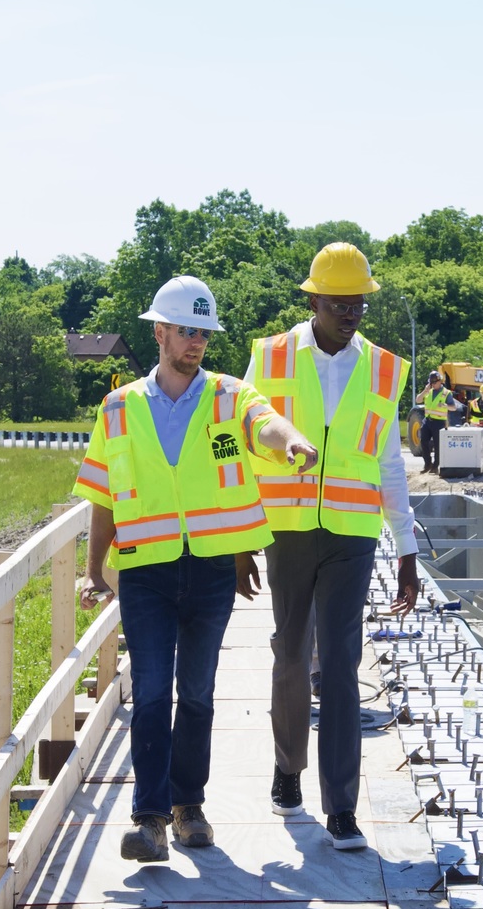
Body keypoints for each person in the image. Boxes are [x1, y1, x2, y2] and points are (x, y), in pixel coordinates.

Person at [75, 276, 318, 863]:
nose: (197, 343)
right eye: (187, 330)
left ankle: (189, 806)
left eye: (204, 333)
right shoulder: (118, 407)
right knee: (153, 693)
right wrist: (92, 571)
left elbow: (266, 426)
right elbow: (103, 496)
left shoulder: (231, 399)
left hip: (211, 571)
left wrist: (292, 443)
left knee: (200, 694)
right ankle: (150, 819)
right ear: (159, 332)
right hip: (146, 572)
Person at [247, 243, 419, 851]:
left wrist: (406, 548)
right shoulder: (267, 358)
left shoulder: (383, 369)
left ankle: (341, 805)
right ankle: (287, 768)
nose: (352, 313)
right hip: (287, 530)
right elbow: (240, 441)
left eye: (360, 304)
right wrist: (241, 537)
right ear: (313, 299)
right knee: (291, 654)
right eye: (340, 303)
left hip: (351, 533)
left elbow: (390, 463)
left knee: (342, 667)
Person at [415, 370, 453, 473]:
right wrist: (424, 391)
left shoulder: (446, 393)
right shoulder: (428, 392)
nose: (432, 385)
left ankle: (436, 466)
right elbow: (418, 400)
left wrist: (446, 406)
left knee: (437, 445)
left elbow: (453, 407)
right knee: (423, 441)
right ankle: (427, 464)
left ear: (440, 381)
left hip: (439, 422)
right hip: (427, 421)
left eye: (434, 383)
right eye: (431, 383)